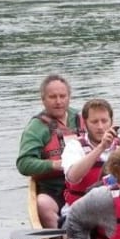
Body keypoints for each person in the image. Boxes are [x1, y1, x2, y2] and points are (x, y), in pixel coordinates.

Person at [16, 74, 82, 228]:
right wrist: (58, 165)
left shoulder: (83, 118)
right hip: (55, 190)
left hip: (84, 187)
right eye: (53, 97)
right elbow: (24, 164)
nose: (58, 102)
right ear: (43, 99)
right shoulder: (36, 128)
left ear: (69, 97)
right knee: (42, 204)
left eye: (62, 96)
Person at [61, 98, 120, 209]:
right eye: (94, 122)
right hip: (81, 209)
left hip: (115, 207)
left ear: (112, 121)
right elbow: (73, 177)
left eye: (104, 121)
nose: (100, 127)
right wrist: (101, 147)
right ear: (85, 123)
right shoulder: (74, 146)